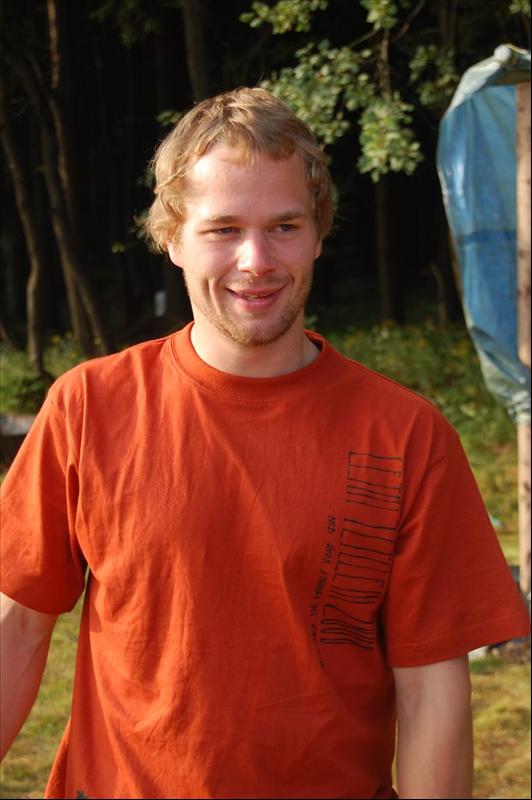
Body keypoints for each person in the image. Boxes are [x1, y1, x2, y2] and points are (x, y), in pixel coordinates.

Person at [0, 87, 529, 800]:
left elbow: (432, 688)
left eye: (284, 225)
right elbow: (17, 628)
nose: (256, 260)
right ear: (172, 237)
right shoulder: (89, 407)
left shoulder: (406, 436)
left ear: (318, 233)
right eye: (223, 228)